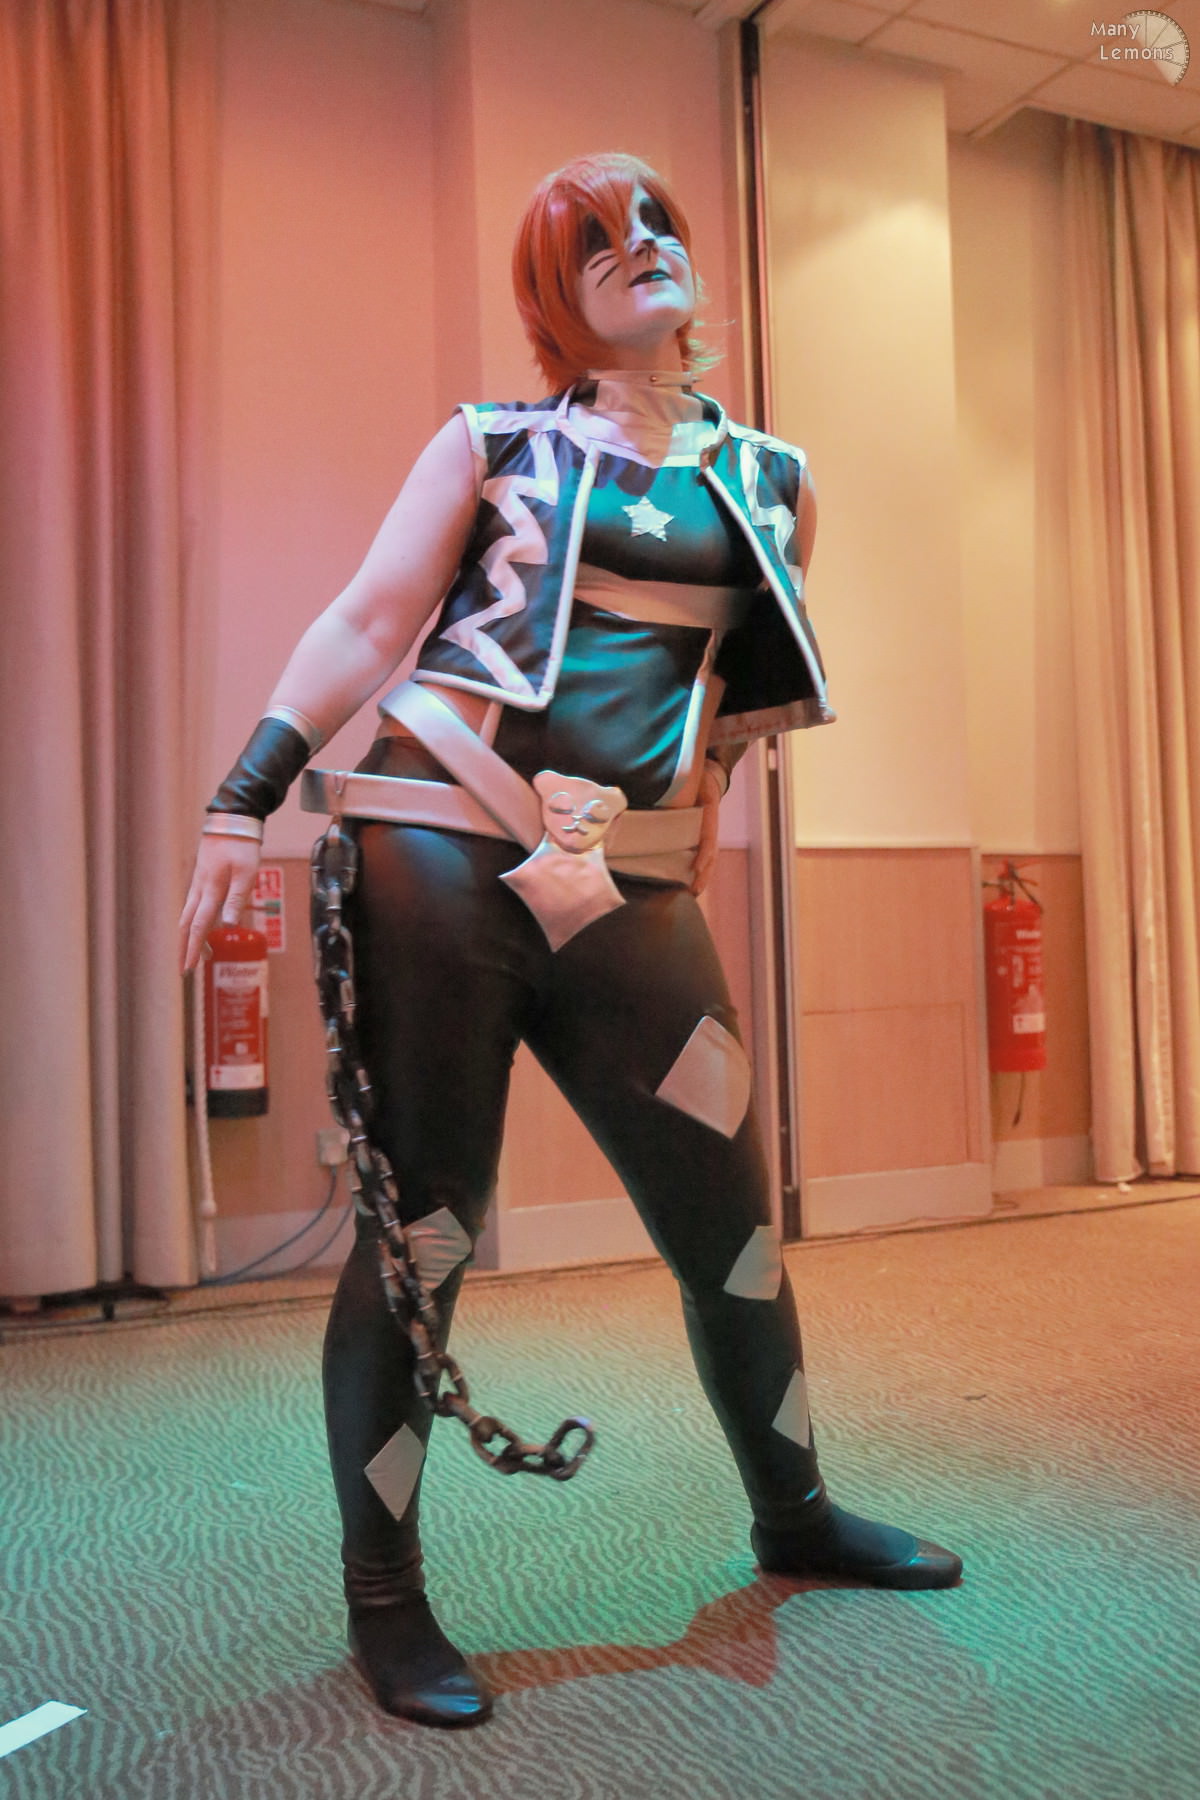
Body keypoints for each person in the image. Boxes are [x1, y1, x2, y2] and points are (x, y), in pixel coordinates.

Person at [180, 152, 961, 1732]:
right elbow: (369, 618)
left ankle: (797, 1512)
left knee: (729, 1220)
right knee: (425, 1236)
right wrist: (241, 796)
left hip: (628, 890)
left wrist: (685, 845)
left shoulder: (774, 479)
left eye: (655, 223)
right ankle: (387, 1598)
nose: (637, 247)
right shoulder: (491, 441)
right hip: (435, 852)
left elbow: (727, 707)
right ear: (555, 293)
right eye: (595, 240)